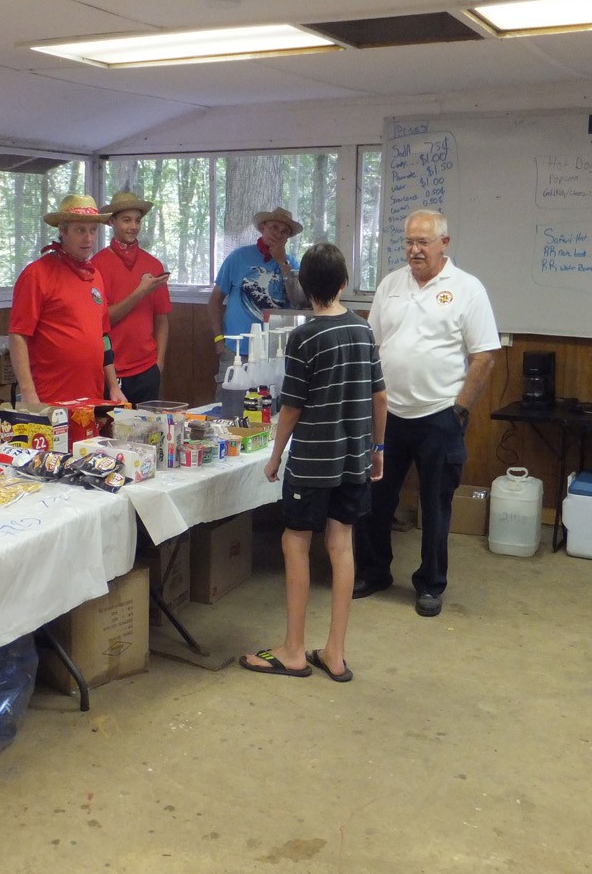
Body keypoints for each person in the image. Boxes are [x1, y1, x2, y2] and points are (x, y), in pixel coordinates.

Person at [240, 243, 387, 682]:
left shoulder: (305, 338)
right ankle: (336, 654)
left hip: (311, 461)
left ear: (304, 288)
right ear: (344, 282)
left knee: (296, 542)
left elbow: (291, 407)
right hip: (353, 458)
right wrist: (377, 449)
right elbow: (380, 397)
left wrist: (274, 456)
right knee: (342, 544)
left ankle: (293, 650)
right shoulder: (363, 330)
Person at [353, 208, 500, 618]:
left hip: (439, 416)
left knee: (435, 507)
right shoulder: (390, 285)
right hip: (388, 416)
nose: (414, 250)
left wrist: (460, 410)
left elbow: (485, 356)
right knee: (375, 499)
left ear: (444, 243)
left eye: (423, 242)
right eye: (409, 242)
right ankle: (374, 571)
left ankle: (431, 584)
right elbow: (372, 345)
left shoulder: (468, 289)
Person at [8, 193, 125, 406]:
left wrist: (114, 386)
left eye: (92, 230)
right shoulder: (37, 274)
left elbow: (103, 337)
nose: (88, 238)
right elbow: (18, 336)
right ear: (62, 230)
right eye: (80, 230)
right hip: (50, 398)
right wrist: (28, 393)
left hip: (93, 397)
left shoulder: (95, 276)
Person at [209, 206, 305, 387]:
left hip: (275, 351)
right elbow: (215, 300)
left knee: (271, 399)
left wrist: (282, 262)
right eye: (274, 228)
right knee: (230, 397)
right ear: (262, 228)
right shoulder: (238, 257)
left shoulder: (292, 265)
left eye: (284, 232)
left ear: (288, 238)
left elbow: (297, 302)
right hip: (236, 348)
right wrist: (219, 339)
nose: (278, 234)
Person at [90, 191, 171, 406]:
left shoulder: (153, 264)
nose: (133, 226)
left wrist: (159, 364)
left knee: (149, 426)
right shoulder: (97, 265)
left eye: (137, 220)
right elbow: (102, 320)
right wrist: (140, 292)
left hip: (147, 369)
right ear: (112, 221)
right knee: (109, 427)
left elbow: (162, 319)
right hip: (109, 370)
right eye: (126, 220)